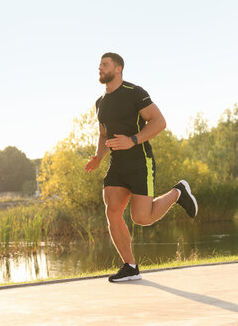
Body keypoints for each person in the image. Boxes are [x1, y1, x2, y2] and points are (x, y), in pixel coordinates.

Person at [84, 52, 198, 283]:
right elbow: (103, 133)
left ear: (118, 69)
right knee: (112, 211)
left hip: (140, 160)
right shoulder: (100, 103)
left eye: (105, 65)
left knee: (142, 218)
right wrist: (99, 155)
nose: (100, 68)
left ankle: (178, 192)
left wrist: (133, 140)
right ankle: (130, 266)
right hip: (117, 163)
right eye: (99, 65)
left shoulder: (134, 92)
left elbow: (159, 121)